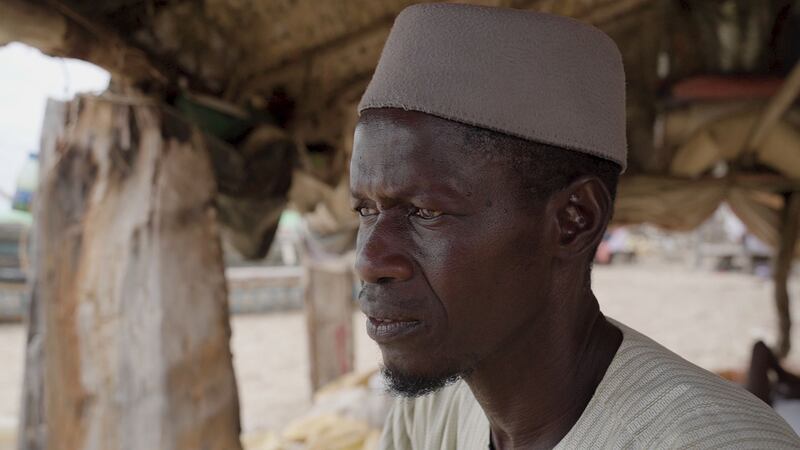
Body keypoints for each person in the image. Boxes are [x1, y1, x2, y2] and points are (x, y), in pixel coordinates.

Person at [350, 3, 800, 449]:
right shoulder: (435, 407)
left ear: (574, 220)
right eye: (365, 210)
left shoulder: (714, 443)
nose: (370, 260)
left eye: (426, 212)